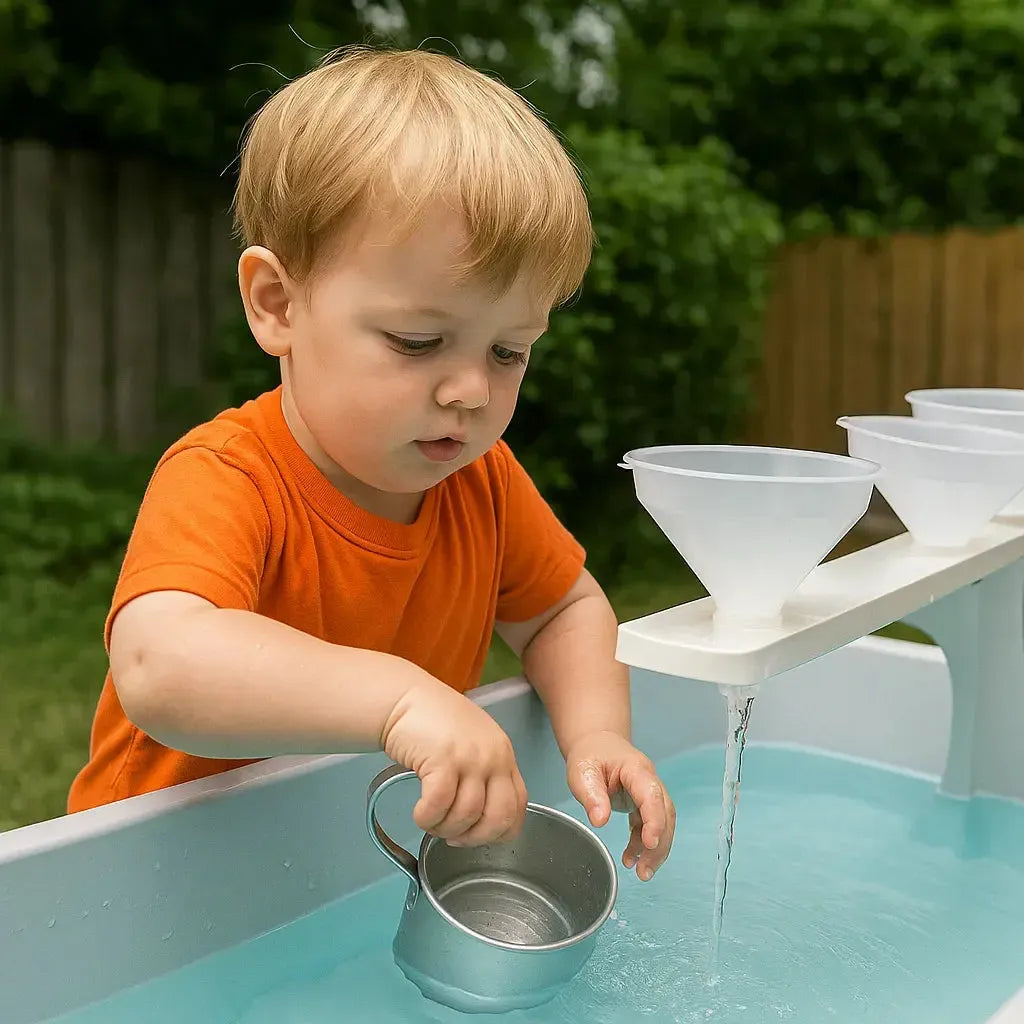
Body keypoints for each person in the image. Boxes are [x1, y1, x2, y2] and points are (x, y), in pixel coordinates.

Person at [68, 46, 676, 882]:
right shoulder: (230, 475)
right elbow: (159, 664)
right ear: (277, 304)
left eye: (508, 351)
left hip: (329, 869)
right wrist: (398, 698)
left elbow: (564, 609)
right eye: (417, 341)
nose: (469, 390)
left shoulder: (482, 485)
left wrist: (597, 731)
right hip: (152, 892)